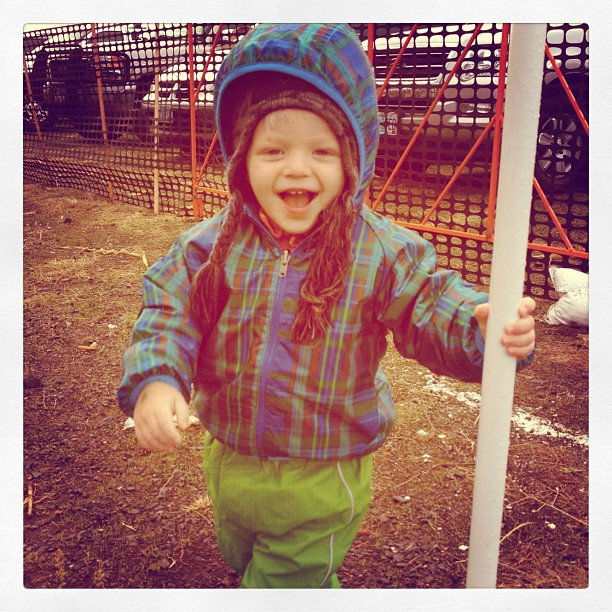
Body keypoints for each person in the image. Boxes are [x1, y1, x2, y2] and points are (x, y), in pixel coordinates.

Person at [118, 23, 536, 588]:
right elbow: (169, 311)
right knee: (245, 559)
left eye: (321, 151)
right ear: (241, 159)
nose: (296, 168)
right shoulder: (210, 246)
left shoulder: (380, 250)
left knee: (286, 584)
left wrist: (476, 325)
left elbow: (429, 302)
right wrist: (157, 380)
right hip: (231, 457)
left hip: (322, 470)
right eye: (272, 150)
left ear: (353, 160)